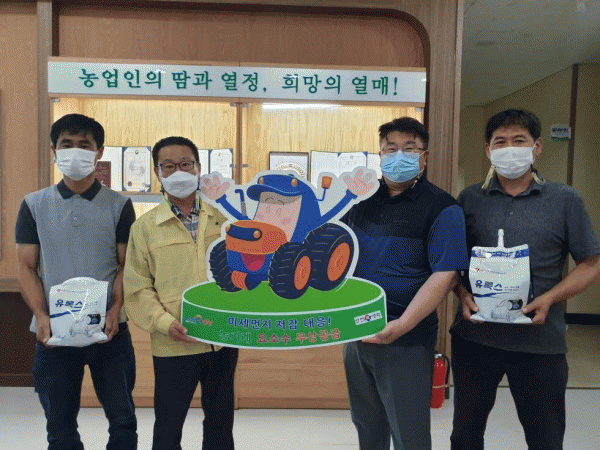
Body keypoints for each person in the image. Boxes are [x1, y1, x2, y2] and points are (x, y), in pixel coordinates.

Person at [450, 109, 600, 450]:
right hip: (475, 340)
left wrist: (550, 298)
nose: (509, 149)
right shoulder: (469, 200)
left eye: (519, 141)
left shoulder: (564, 200)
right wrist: (460, 292)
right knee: (465, 436)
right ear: (488, 150)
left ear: (537, 147)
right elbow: (449, 263)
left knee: (545, 439)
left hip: (540, 343)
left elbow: (591, 264)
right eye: (500, 142)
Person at [341, 117, 468, 450]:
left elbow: (445, 274)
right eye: (390, 148)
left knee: (408, 432)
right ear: (379, 155)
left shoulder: (443, 207)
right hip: (356, 331)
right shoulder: (358, 200)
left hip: (406, 338)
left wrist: (403, 324)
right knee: (367, 425)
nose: (398, 156)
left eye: (409, 149)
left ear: (424, 157)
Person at [15, 114, 138, 450]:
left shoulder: (120, 205)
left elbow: (126, 265)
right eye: (66, 144)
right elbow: (26, 267)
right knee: (59, 426)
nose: (75, 151)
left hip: (110, 333)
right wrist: (41, 315)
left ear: (99, 152)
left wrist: (115, 310)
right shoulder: (33, 205)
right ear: (54, 150)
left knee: (123, 421)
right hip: (54, 332)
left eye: (85, 145)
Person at [123, 136, 237, 450]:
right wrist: (164, 323)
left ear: (198, 167)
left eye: (186, 164)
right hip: (173, 341)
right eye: (169, 166)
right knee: (168, 425)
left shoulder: (225, 219)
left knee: (220, 424)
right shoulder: (145, 227)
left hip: (222, 338)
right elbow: (138, 287)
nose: (179, 172)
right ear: (157, 173)